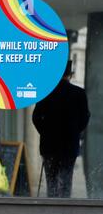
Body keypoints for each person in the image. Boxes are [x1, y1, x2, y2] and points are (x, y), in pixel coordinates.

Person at [32, 61, 90, 198]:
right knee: (66, 179)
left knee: (51, 180)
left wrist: (44, 131)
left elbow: (35, 117)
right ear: (70, 75)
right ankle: (64, 207)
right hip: (69, 144)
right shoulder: (79, 93)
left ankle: (52, 207)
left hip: (49, 144)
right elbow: (85, 117)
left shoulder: (46, 92)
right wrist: (75, 132)